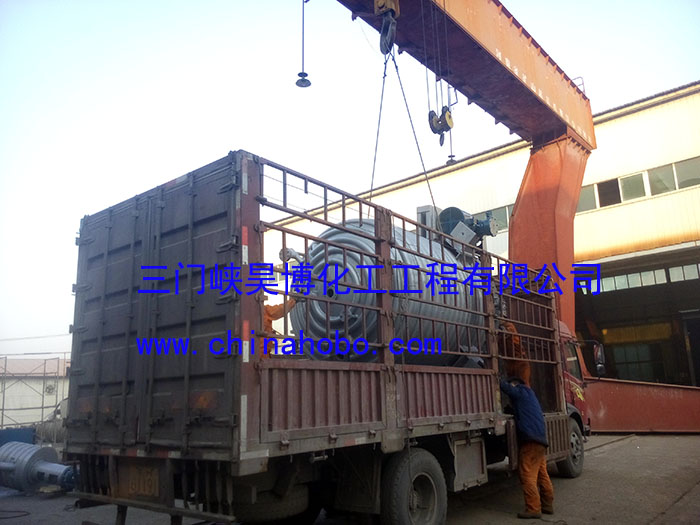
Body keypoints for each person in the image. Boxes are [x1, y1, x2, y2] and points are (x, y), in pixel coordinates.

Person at [500, 376, 554, 519]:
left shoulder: (519, 391)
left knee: (527, 475)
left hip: (530, 440)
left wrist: (496, 380)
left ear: (515, 385)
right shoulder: (530, 395)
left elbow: (506, 388)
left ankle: (533, 509)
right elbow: (524, 413)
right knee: (542, 473)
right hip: (541, 440)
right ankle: (547, 505)